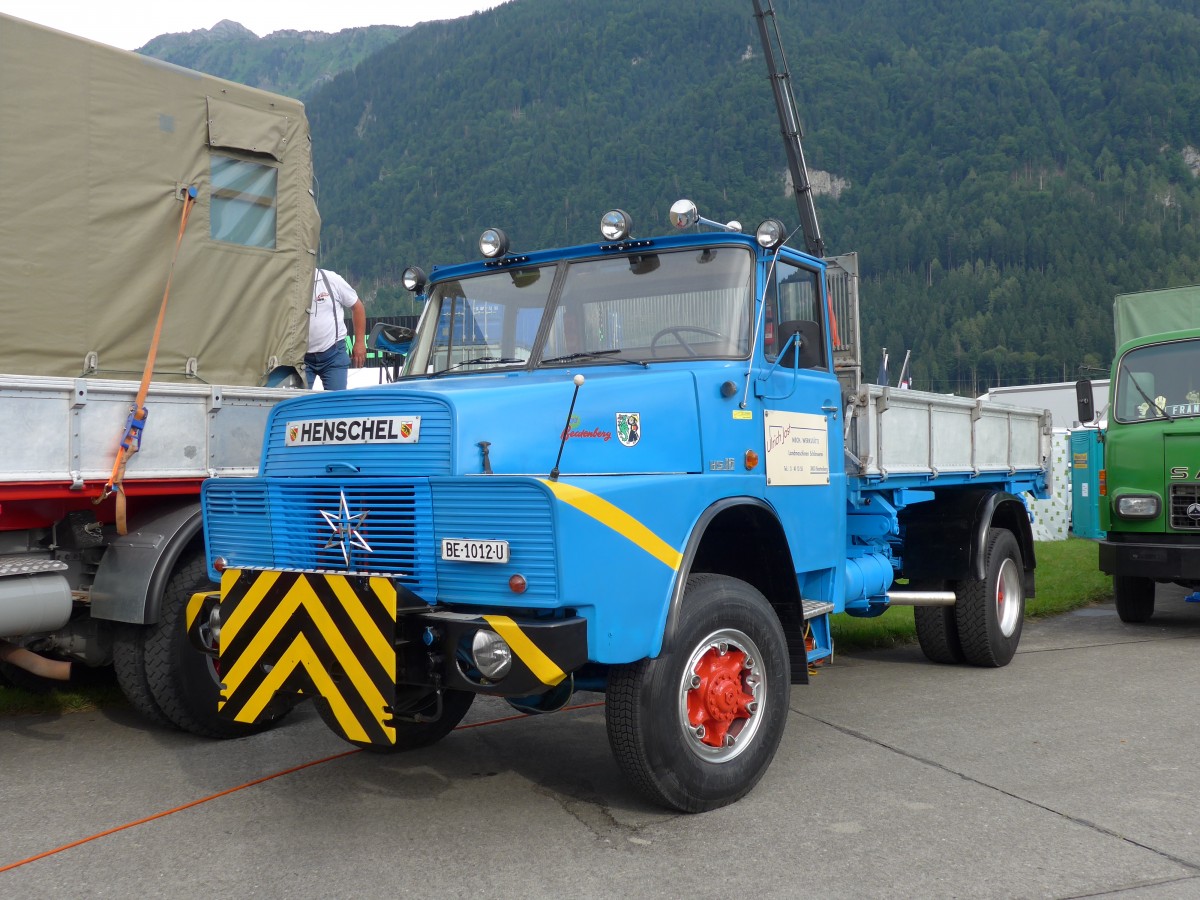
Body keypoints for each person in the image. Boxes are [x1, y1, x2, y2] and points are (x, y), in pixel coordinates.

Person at [306, 267, 366, 390]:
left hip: (333, 354)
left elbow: (357, 306)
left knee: (337, 401)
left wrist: (360, 342)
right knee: (296, 402)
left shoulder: (331, 279)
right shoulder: (289, 284)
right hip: (301, 357)